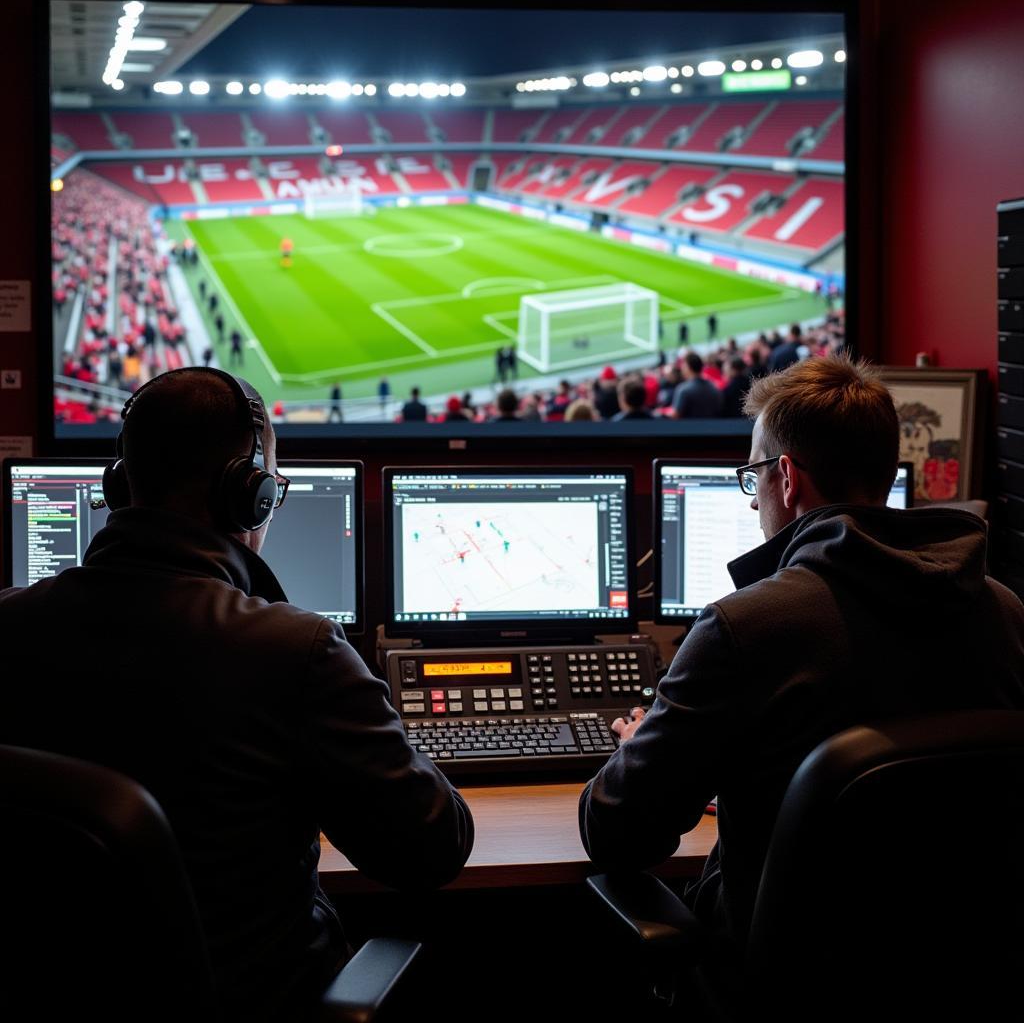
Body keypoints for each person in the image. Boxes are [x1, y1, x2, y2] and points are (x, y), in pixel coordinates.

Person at [0, 367, 474, 1022]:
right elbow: (433, 852)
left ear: (120, 485)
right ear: (248, 495)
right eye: (271, 492)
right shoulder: (296, 650)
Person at [579, 356, 1024, 991]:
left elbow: (617, 834)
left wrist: (635, 752)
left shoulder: (743, 627)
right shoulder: (1006, 613)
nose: (754, 493)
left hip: (787, 999)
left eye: (751, 476)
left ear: (785, 477)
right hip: (966, 987)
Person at [672, 352, 722, 418]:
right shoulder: (714, 387)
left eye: (683, 366)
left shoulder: (683, 390)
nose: (682, 369)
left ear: (688, 368)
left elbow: (675, 416)